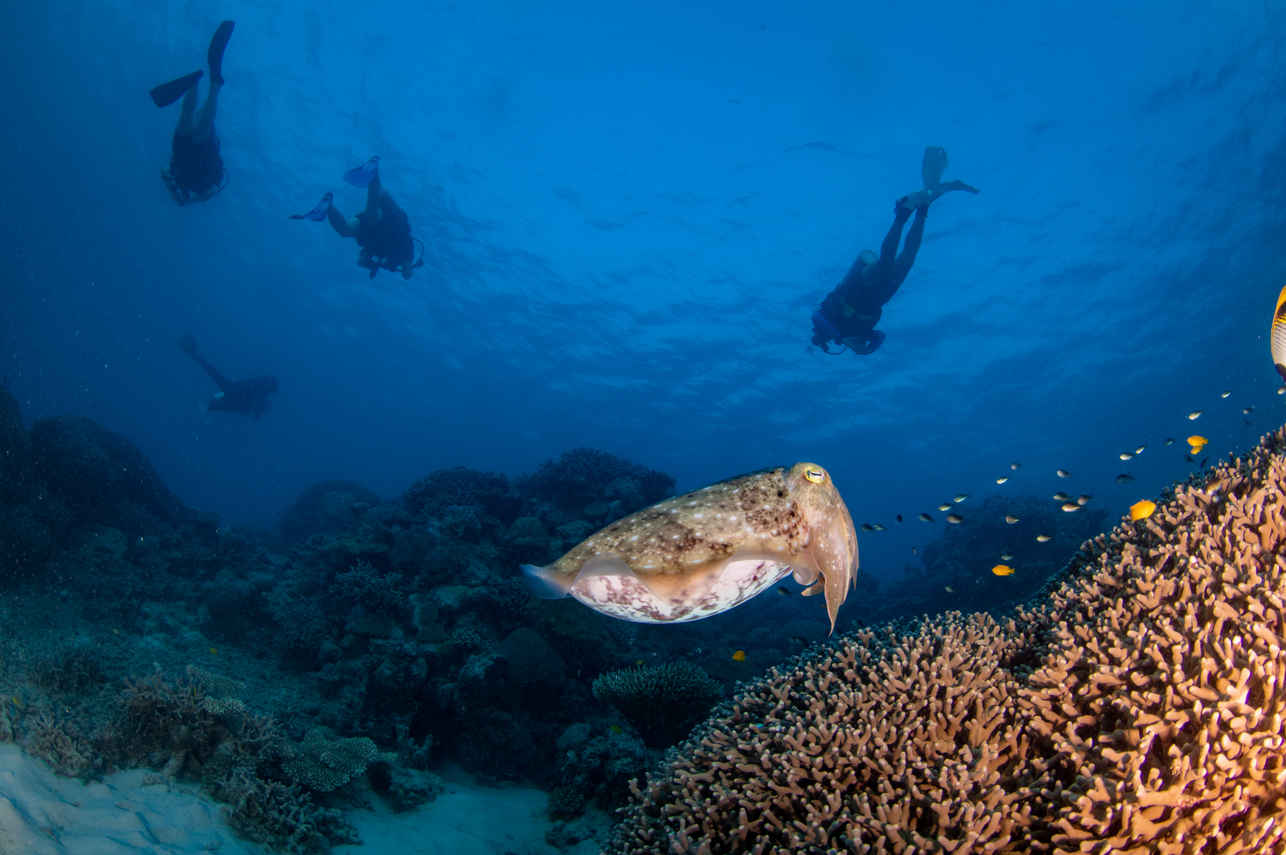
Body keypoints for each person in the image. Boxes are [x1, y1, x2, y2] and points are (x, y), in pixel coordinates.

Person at [811, 147, 979, 355]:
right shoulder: (863, 334)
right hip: (881, 295)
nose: (860, 345)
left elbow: (819, 320)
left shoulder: (831, 328)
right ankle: (923, 209)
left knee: (885, 263)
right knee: (908, 259)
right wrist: (867, 348)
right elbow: (880, 338)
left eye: (858, 346)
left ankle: (901, 213)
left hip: (858, 288)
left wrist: (837, 339)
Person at [291, 156, 423, 280]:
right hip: (391, 221)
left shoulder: (384, 260)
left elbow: (362, 258)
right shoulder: (407, 253)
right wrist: (406, 268)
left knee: (345, 230)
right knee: (375, 209)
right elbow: (407, 266)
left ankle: (328, 207)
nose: (405, 272)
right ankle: (374, 174)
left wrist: (368, 263)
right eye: (408, 270)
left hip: (372, 231)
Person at [149, 21, 235, 206]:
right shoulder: (203, 185)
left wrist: (174, 185)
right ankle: (210, 85)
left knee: (192, 116)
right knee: (196, 118)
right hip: (195, 152)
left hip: (185, 151)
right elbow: (199, 193)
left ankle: (202, 83)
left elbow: (167, 176)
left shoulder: (190, 188)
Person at [180, 335, 278, 418]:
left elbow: (247, 391)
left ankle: (192, 351)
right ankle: (192, 351)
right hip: (233, 392)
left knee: (212, 372)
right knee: (213, 376)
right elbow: (247, 402)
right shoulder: (261, 391)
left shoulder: (260, 388)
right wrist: (257, 414)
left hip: (233, 390)